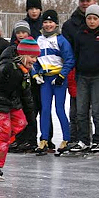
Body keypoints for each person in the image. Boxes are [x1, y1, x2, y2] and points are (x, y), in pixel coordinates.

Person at [0, 37, 39, 178]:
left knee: (20, 123)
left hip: (11, 103)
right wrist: (15, 73)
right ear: (22, 55)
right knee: (3, 135)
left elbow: (25, 94)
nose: (34, 61)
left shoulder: (24, 71)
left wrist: (31, 116)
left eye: (36, 57)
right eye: (32, 57)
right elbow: (0, 80)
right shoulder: (9, 67)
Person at [70, 4, 99, 153]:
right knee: (81, 111)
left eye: (94, 18)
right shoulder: (80, 34)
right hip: (83, 76)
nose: (91, 21)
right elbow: (76, 54)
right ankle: (84, 140)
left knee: (97, 110)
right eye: (89, 18)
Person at [32, 10, 75, 155]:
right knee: (44, 110)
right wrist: (35, 73)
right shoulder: (39, 40)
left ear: (56, 24)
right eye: (45, 22)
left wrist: (62, 76)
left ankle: (66, 139)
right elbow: (34, 60)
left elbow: (69, 60)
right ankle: (44, 140)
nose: (48, 25)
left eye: (51, 22)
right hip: (45, 79)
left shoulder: (61, 40)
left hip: (58, 80)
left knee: (59, 109)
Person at [3, 20, 37, 153]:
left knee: (30, 110)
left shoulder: (33, 46)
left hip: (30, 83)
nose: (21, 35)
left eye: (24, 32)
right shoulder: (11, 49)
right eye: (18, 32)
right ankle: (19, 140)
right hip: (17, 84)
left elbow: (36, 61)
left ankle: (31, 140)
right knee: (18, 111)